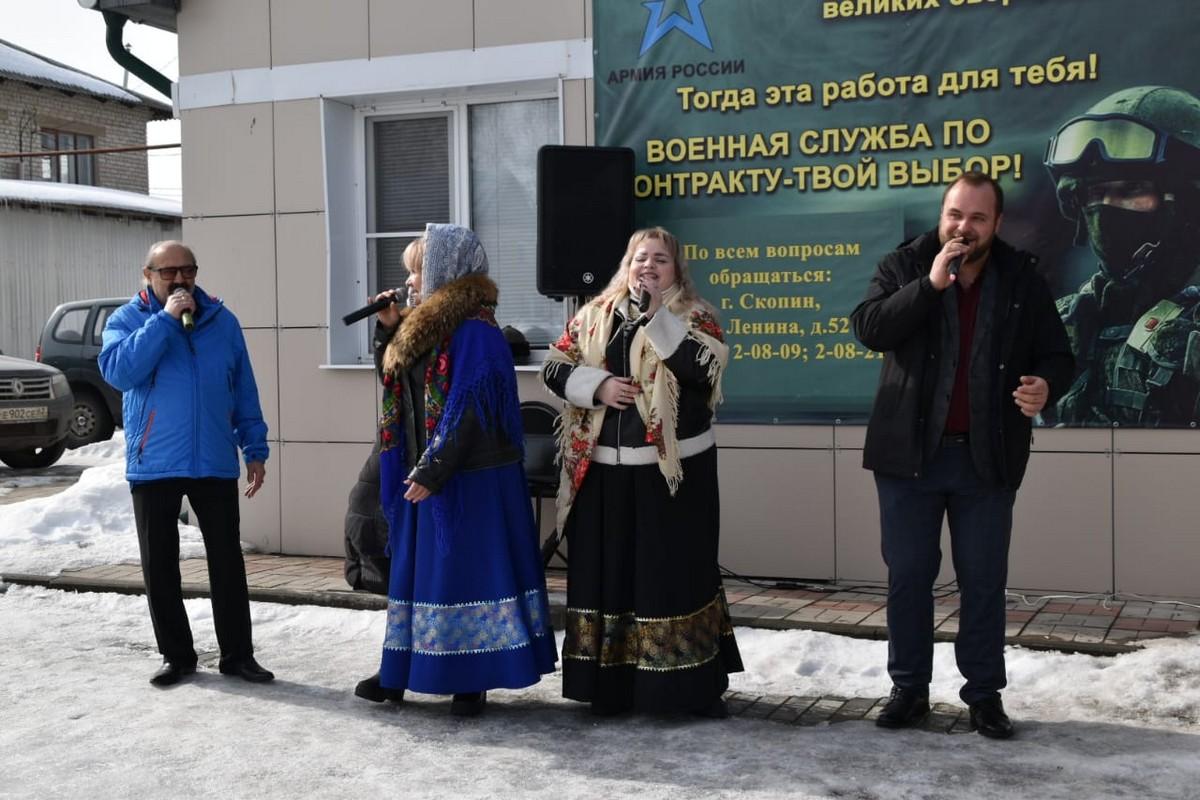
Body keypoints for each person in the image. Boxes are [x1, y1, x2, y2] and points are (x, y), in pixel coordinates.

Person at [850, 173, 1074, 739]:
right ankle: (908, 689)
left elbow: (1058, 355)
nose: (963, 227)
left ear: (996, 224)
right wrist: (929, 286)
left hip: (986, 460)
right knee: (909, 576)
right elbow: (870, 329)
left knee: (983, 581)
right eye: (954, 215)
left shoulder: (1021, 278)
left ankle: (983, 695)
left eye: (977, 218)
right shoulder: (903, 265)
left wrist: (1046, 385)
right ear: (941, 215)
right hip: (909, 462)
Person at [354, 224, 557, 716]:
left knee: (464, 574)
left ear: (447, 271)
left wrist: (434, 469)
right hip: (425, 468)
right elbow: (395, 378)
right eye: (408, 273)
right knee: (418, 575)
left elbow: (468, 410)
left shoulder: (477, 331)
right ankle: (402, 669)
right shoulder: (422, 326)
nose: (408, 283)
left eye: (418, 271)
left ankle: (472, 678)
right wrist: (387, 326)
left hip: (470, 478)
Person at [541, 226, 743, 718]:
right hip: (604, 476)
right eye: (639, 259)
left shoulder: (696, 319)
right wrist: (599, 385)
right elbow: (553, 366)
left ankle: (679, 690)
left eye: (660, 260)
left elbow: (703, 370)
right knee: (610, 579)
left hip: (671, 479)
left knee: (667, 579)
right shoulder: (594, 316)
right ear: (625, 267)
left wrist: (656, 318)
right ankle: (610, 688)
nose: (647, 267)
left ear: (677, 272)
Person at [99, 240, 273, 687]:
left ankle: (238, 655)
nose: (179, 279)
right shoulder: (126, 321)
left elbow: (243, 389)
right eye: (168, 272)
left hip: (213, 457)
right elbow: (120, 373)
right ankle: (177, 656)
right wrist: (165, 322)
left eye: (187, 270)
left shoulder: (222, 321)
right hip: (154, 460)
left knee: (227, 563)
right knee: (161, 565)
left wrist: (255, 447)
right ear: (148, 275)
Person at [1045, 85, 1200, 426]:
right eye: (1095, 193)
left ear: (1188, 203)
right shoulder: (1060, 322)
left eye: (1131, 190)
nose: (1107, 208)